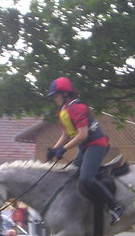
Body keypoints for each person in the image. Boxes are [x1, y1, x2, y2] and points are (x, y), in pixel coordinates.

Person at [46, 76, 124, 224]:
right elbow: (65, 134)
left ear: (65, 94)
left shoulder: (77, 107)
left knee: (86, 178)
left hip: (97, 145)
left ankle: (115, 206)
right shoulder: (63, 111)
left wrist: (63, 149)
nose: (54, 98)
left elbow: (83, 135)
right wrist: (53, 150)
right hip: (85, 147)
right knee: (70, 176)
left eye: (56, 95)